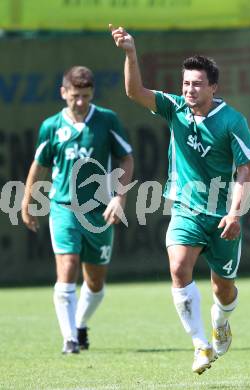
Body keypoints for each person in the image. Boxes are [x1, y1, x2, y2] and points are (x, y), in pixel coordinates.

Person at [110, 25, 250, 374]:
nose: (189, 89)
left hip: (222, 215)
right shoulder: (174, 108)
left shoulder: (232, 121)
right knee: (178, 268)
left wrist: (235, 214)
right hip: (186, 208)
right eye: (185, 83)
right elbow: (135, 91)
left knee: (223, 289)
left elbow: (245, 170)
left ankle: (221, 321)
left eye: (197, 84)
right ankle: (200, 345)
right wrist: (131, 53)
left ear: (213, 87)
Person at [21, 66, 134, 354]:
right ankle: (69, 338)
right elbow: (40, 165)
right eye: (74, 96)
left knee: (95, 282)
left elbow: (126, 159)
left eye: (85, 96)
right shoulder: (51, 126)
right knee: (68, 265)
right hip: (63, 207)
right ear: (63, 93)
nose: (80, 102)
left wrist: (119, 197)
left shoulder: (107, 120)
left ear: (92, 93)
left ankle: (80, 324)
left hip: (98, 211)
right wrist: (27, 200)